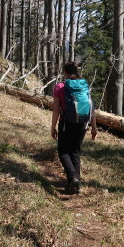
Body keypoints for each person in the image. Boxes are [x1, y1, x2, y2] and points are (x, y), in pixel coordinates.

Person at [51, 61, 97, 194]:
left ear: (65, 72)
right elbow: (92, 108)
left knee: (63, 152)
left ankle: (73, 178)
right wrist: (94, 127)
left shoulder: (60, 86)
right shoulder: (84, 85)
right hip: (83, 123)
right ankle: (76, 184)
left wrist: (53, 127)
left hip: (66, 123)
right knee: (75, 152)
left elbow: (56, 110)